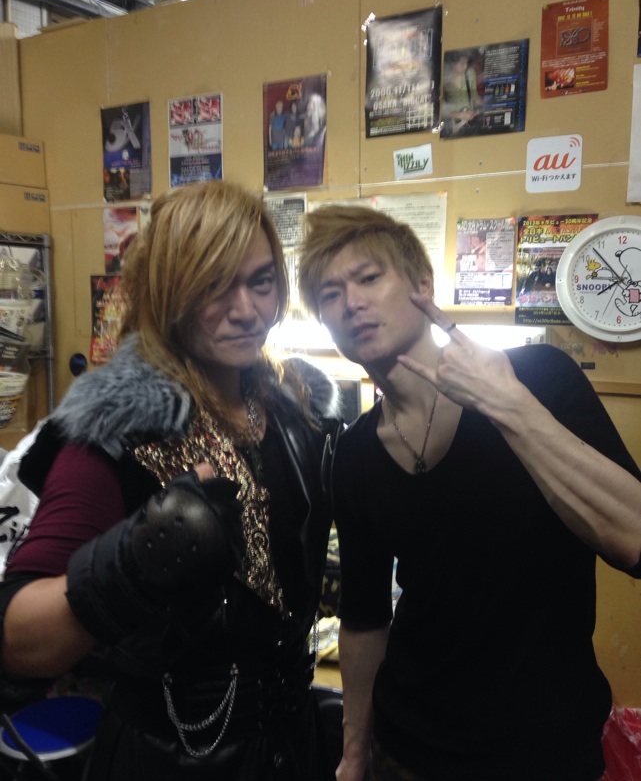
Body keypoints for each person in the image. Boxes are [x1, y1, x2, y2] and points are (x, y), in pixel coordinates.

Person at [0, 180, 342, 781]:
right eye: (215, 285)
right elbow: (19, 640)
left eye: (261, 281)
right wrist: (132, 564)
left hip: (291, 744)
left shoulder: (290, 407)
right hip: (172, 758)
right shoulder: (117, 427)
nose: (247, 310)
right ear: (168, 291)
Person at [297, 203, 641, 781]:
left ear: (423, 285)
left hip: (544, 753)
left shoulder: (538, 377)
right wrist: (354, 753)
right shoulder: (355, 453)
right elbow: (363, 618)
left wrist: (509, 406)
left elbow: (633, 539)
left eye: (369, 278)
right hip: (408, 749)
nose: (351, 302)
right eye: (330, 294)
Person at [441, 52, 482, 137]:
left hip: (470, 122)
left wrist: (487, 106)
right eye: (462, 63)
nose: (465, 66)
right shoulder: (444, 78)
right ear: (452, 64)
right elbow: (439, 110)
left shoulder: (470, 73)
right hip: (453, 124)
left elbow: (475, 97)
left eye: (467, 63)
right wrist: (459, 115)